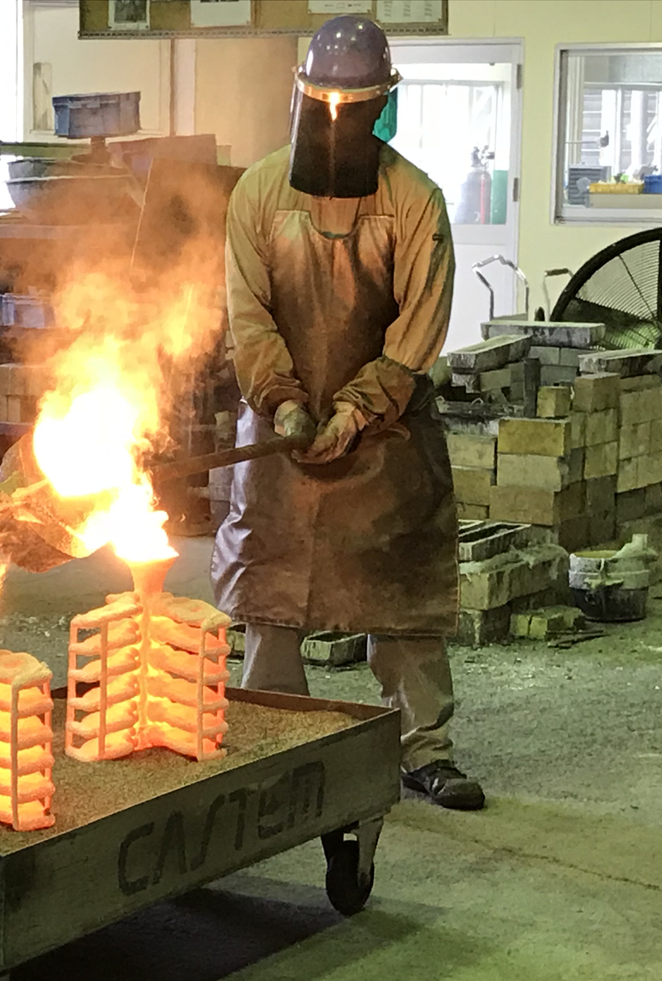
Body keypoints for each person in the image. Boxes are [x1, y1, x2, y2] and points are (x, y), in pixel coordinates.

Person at [212, 15, 484, 810]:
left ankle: (424, 750)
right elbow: (249, 318)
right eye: (324, 103)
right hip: (281, 438)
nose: (335, 120)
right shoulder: (259, 192)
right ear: (302, 96)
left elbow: (417, 333)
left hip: (386, 436)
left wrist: (357, 410)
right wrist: (283, 404)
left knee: (400, 593)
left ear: (381, 104)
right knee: (272, 592)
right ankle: (276, 744)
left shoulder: (414, 199)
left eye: (352, 106)